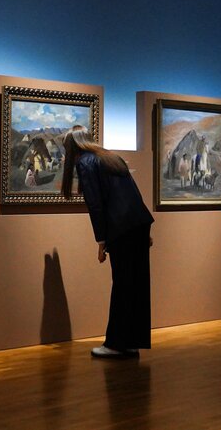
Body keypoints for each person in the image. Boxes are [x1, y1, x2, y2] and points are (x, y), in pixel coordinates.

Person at [61, 125, 154, 359]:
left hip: (121, 228)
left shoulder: (85, 162)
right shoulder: (111, 157)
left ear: (72, 146)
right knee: (137, 286)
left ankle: (115, 343)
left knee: (122, 285)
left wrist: (101, 241)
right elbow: (134, 194)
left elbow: (95, 205)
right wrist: (144, 230)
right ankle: (132, 342)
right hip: (138, 224)